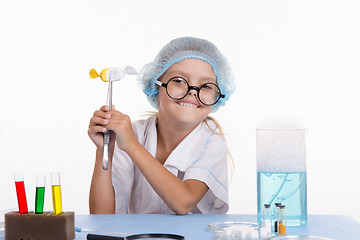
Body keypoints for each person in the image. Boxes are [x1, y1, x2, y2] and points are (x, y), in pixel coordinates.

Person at [88, 37, 235, 215]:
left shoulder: (211, 143)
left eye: (205, 86)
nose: (192, 92)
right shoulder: (134, 133)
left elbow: (184, 202)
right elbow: (101, 215)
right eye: (179, 81)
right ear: (156, 89)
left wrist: (132, 145)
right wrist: (104, 150)